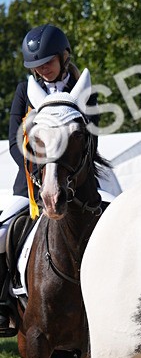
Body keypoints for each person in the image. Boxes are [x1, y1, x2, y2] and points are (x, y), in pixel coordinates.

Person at [0, 25, 90, 334]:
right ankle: (4, 304)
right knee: (2, 233)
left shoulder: (83, 86)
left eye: (48, 61)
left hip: (79, 178)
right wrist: (37, 172)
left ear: (65, 57)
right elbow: (15, 139)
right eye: (36, 65)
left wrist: (70, 173)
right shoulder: (25, 90)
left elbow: (91, 136)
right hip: (31, 180)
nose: (42, 69)